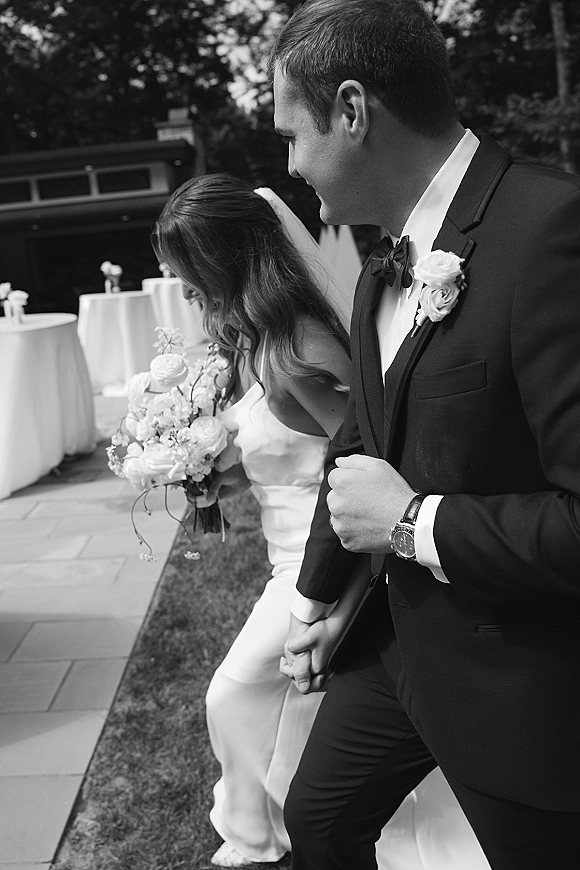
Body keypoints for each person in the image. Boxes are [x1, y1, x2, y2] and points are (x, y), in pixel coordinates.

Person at [270, 2, 580, 869]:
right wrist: (319, 604)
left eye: (293, 134)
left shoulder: (551, 232)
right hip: (397, 645)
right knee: (321, 825)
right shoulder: (380, 267)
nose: (291, 166)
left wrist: (411, 525)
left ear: (353, 111)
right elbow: (360, 447)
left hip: (521, 681)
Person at [152, 173, 358, 868]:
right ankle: (274, 822)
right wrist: (212, 471)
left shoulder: (298, 347)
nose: (183, 292)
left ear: (221, 261)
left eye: (188, 276)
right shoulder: (254, 339)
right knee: (283, 703)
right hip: (285, 560)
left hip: (322, 561)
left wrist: (336, 595)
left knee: (232, 693)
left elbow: (363, 454)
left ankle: (254, 837)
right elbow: (288, 452)